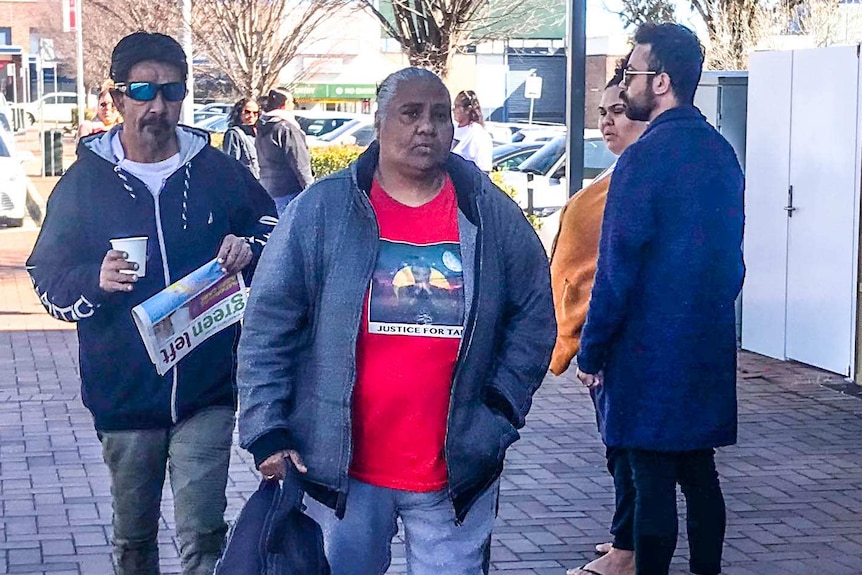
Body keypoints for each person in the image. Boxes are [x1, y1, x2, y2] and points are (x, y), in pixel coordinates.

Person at [236, 67, 556, 575]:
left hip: (454, 470)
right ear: (380, 124)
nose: (426, 127)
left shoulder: (491, 215)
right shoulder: (321, 210)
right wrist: (266, 428)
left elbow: (535, 314)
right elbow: (268, 324)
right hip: (342, 471)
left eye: (438, 115)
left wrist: (500, 407)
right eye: (410, 114)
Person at [26, 32, 277, 575]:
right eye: (142, 90)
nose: (157, 105)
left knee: (204, 536)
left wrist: (248, 246)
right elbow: (45, 273)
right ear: (118, 99)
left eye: (171, 91)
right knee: (134, 539)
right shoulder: (82, 184)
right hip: (125, 394)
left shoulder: (215, 170)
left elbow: (270, 224)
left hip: (206, 389)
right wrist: (93, 280)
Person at [576, 23, 744, 575]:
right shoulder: (721, 153)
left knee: (650, 480)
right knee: (699, 474)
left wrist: (592, 350)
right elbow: (733, 263)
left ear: (662, 82)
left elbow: (617, 271)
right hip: (706, 345)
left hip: (647, 352)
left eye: (632, 74)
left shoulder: (643, 161)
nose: (624, 86)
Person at [549, 63, 647, 575]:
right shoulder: (617, 172)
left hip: (614, 333)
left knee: (628, 447)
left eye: (619, 111)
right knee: (617, 446)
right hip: (593, 325)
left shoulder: (637, 177)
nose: (608, 122)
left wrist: (598, 341)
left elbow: (618, 265)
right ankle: (623, 538)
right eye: (602, 113)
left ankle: (630, 551)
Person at [255, 88, 313, 213]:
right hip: (289, 192)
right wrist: (311, 192)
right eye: (292, 102)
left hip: (269, 190)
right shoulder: (287, 128)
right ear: (285, 104)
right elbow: (301, 165)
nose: (293, 106)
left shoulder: (262, 127)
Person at [451, 89, 493, 171]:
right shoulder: (452, 129)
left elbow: (484, 169)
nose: (453, 110)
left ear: (468, 110)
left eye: (457, 106)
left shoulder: (479, 134)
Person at [223, 97, 260, 178]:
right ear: (239, 113)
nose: (251, 116)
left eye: (255, 113)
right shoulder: (233, 134)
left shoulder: (258, 133)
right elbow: (231, 165)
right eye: (247, 112)